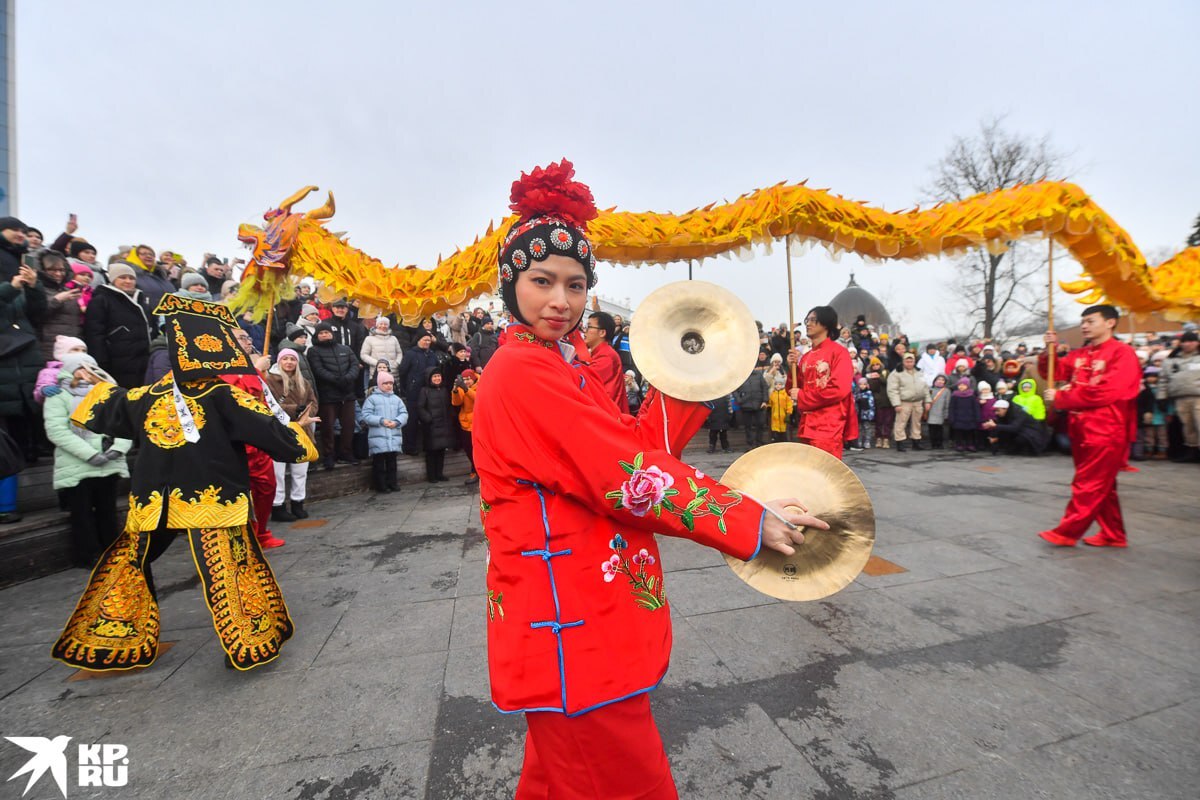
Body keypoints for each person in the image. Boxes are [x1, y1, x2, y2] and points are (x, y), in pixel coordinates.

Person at [472, 159, 824, 797]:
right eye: (542, 281)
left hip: (577, 616)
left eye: (576, 285)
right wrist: (748, 521)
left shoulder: (560, 365)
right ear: (510, 284)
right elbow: (627, 474)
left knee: (557, 783)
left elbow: (632, 446)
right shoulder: (523, 372)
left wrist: (695, 373)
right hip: (569, 624)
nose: (561, 301)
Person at [53, 294, 319, 672]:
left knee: (129, 562)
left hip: (154, 501)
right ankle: (251, 640)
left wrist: (90, 381)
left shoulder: (149, 394)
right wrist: (298, 432)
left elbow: (109, 405)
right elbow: (272, 434)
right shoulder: (222, 393)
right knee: (230, 567)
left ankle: (111, 638)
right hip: (213, 499)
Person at [1038, 305, 1141, 548]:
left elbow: (1109, 392)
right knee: (1103, 485)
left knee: (1089, 483)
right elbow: (1055, 372)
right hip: (1081, 428)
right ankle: (1114, 534)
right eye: (1083, 321)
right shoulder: (1080, 354)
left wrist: (1062, 398)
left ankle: (1067, 531)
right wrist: (1049, 350)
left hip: (1107, 429)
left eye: (1091, 321)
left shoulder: (1122, 353)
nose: (1084, 326)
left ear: (1110, 322)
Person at [43, 353, 132, 567]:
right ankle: (88, 555)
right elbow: (57, 430)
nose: (87, 372)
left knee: (107, 511)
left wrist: (118, 449)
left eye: (91, 367)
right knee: (81, 514)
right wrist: (89, 454)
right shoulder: (59, 395)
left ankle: (113, 551)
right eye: (82, 367)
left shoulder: (107, 392)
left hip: (108, 462)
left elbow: (124, 423)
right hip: (76, 464)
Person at [787, 305, 857, 459]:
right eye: (807, 320)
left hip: (828, 425)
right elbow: (793, 389)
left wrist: (803, 396)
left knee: (825, 469)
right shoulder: (806, 357)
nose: (808, 323)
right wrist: (792, 367)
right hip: (806, 424)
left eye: (813, 320)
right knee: (808, 470)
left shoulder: (839, 352)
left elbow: (838, 389)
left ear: (826, 323)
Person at [1, 259, 49, 464]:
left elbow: (39, 314)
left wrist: (34, 287)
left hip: (27, 351)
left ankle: (37, 449)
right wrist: (10, 289)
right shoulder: (10, 288)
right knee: (9, 408)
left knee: (32, 402)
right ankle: (17, 456)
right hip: (5, 356)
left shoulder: (18, 289)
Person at [266, 348, 318, 520]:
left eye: (292, 359)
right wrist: (295, 409)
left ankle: (298, 502)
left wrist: (306, 414)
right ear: (279, 361)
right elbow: (270, 405)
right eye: (285, 359)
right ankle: (278, 505)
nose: (289, 362)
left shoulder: (304, 382)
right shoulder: (269, 381)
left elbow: (313, 402)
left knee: (300, 470)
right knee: (278, 472)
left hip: (301, 429)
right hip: (279, 430)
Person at [82, 264, 153, 388]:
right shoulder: (101, 300)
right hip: (116, 361)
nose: (128, 281)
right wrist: (101, 361)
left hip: (143, 360)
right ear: (113, 279)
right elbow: (94, 333)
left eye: (131, 278)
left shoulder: (141, 300)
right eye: (123, 277)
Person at [309, 321, 361, 469]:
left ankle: (346, 452)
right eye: (321, 333)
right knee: (328, 427)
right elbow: (318, 370)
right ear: (317, 336)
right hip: (328, 395)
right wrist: (336, 380)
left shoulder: (345, 348)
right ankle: (329, 455)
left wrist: (348, 378)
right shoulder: (313, 351)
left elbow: (354, 365)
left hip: (347, 394)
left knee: (349, 425)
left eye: (327, 332)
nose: (324, 335)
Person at [361, 371, 409, 492]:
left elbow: (404, 413)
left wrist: (397, 422)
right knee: (379, 464)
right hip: (378, 437)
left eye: (390, 383)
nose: (388, 386)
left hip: (393, 436)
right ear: (379, 384)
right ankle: (381, 485)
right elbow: (366, 415)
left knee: (392, 462)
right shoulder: (372, 399)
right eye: (385, 383)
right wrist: (381, 420)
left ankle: (392, 483)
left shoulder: (397, 399)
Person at [397, 331, 442, 455]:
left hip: (429, 392)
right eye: (424, 340)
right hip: (414, 392)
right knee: (412, 420)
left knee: (428, 419)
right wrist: (407, 387)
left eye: (429, 340)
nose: (427, 342)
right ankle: (409, 446)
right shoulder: (410, 354)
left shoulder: (432, 355)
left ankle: (429, 446)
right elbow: (403, 372)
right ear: (418, 340)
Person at [1157, 330, 1200, 462]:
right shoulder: (1170, 360)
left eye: (1191, 341)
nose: (1187, 344)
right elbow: (1163, 380)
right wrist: (1161, 396)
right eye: (1184, 341)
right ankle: (1193, 451)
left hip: (1198, 397)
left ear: (1197, 343)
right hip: (1180, 398)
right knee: (1188, 426)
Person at [581, 311, 630, 412]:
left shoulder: (606, 356)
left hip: (607, 414)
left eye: (589, 326)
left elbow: (583, 381)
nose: (584, 330)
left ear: (602, 333)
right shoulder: (602, 352)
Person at [887, 352, 931, 452]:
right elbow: (892, 390)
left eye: (911, 361)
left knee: (917, 423)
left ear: (914, 362)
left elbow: (925, 387)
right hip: (904, 402)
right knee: (901, 423)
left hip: (918, 401)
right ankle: (900, 442)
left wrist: (928, 401)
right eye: (907, 361)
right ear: (903, 362)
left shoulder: (919, 372)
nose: (909, 363)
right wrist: (896, 404)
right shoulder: (896, 373)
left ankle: (916, 441)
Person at [417, 368, 454, 482]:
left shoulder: (444, 390)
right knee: (431, 452)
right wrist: (428, 418)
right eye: (434, 376)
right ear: (429, 378)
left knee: (441, 451)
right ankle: (431, 476)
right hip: (431, 426)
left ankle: (439, 474)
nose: (437, 378)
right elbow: (420, 407)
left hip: (443, 424)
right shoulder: (425, 390)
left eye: (438, 376)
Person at [450, 369, 478, 484]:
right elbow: (456, 402)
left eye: (468, 379)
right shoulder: (462, 386)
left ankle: (476, 471)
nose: (466, 382)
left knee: (478, 450)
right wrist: (456, 390)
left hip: (478, 422)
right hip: (466, 423)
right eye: (464, 379)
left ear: (473, 379)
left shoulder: (481, 384)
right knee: (468, 449)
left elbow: (478, 398)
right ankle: (475, 470)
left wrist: (466, 389)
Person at [734, 363, 768, 449]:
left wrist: (765, 401)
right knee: (747, 426)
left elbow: (765, 387)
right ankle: (750, 444)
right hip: (745, 405)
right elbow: (734, 390)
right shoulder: (740, 377)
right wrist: (739, 400)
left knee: (760, 424)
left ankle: (759, 442)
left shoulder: (758, 375)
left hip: (759, 404)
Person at [948, 378, 980, 452]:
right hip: (958, 417)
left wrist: (977, 417)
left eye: (963, 385)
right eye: (960, 385)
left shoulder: (972, 395)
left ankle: (970, 444)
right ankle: (959, 444)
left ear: (967, 386)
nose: (961, 386)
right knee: (959, 432)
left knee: (970, 432)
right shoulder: (955, 395)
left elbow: (976, 407)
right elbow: (951, 407)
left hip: (970, 417)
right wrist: (951, 417)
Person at [926, 374, 951, 449]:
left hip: (940, 413)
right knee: (931, 429)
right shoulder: (930, 389)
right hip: (931, 412)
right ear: (935, 380)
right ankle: (933, 444)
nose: (940, 381)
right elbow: (926, 399)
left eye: (942, 380)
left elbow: (947, 403)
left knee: (939, 429)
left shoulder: (946, 391)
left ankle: (939, 444)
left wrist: (946, 414)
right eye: (938, 379)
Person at [768, 375, 794, 443]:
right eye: (776, 384)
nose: (778, 386)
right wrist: (768, 408)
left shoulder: (785, 394)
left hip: (783, 416)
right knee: (775, 431)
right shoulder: (773, 394)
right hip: (775, 417)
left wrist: (788, 413)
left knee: (784, 431)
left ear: (782, 385)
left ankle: (786, 441)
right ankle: (776, 441)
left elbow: (789, 404)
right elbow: (770, 403)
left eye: (780, 384)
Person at [852, 376, 876, 449]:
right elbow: (853, 403)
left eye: (864, 384)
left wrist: (871, 414)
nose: (862, 386)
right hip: (858, 414)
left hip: (866, 414)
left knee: (867, 428)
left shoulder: (869, 393)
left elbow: (872, 404)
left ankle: (867, 441)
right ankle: (859, 441)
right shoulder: (856, 394)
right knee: (859, 428)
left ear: (867, 385)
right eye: (861, 384)